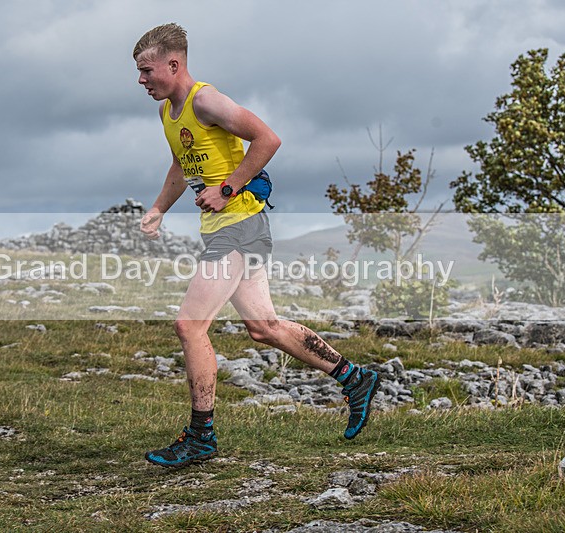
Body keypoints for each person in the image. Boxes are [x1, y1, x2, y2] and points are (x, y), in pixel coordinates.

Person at [133, 23, 380, 468]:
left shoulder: (206, 101)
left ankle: (201, 436)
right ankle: (354, 377)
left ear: (173, 64)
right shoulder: (168, 113)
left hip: (241, 225)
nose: (141, 80)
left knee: (190, 326)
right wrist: (158, 208)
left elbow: (268, 139)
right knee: (263, 326)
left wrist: (227, 189)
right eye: (139, 72)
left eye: (147, 70)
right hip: (225, 228)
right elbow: (181, 166)